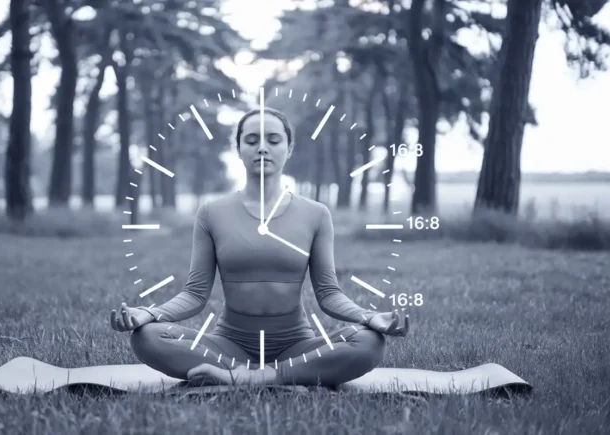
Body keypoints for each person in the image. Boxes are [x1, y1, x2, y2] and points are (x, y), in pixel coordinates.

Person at [110, 107, 409, 387]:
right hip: (228, 345)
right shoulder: (211, 213)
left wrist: (369, 317)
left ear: (289, 149)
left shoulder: (316, 214)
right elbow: (194, 294)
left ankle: (257, 376)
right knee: (146, 337)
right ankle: (253, 373)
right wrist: (150, 314)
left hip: (296, 346)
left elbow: (329, 293)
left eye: (274, 140)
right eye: (251, 140)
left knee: (369, 342)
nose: (262, 147)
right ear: (238, 149)